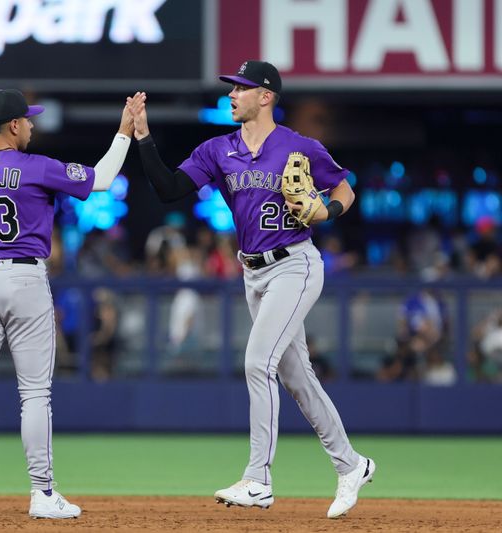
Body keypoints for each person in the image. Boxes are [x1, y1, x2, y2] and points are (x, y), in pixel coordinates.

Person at [127, 60, 374, 519]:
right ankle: (352, 464)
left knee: (257, 362)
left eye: (240, 87)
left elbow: (344, 189)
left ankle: (258, 480)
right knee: (298, 379)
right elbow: (168, 188)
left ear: (265, 96)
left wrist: (328, 212)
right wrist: (143, 137)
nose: (232, 94)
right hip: (253, 273)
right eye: (232, 87)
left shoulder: (298, 146)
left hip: (294, 266)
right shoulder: (219, 150)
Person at [0, 89, 133, 520]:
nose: (33, 125)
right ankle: (42, 492)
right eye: (29, 120)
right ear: (14, 125)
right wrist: (124, 132)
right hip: (24, 278)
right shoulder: (37, 167)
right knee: (35, 393)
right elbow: (101, 180)